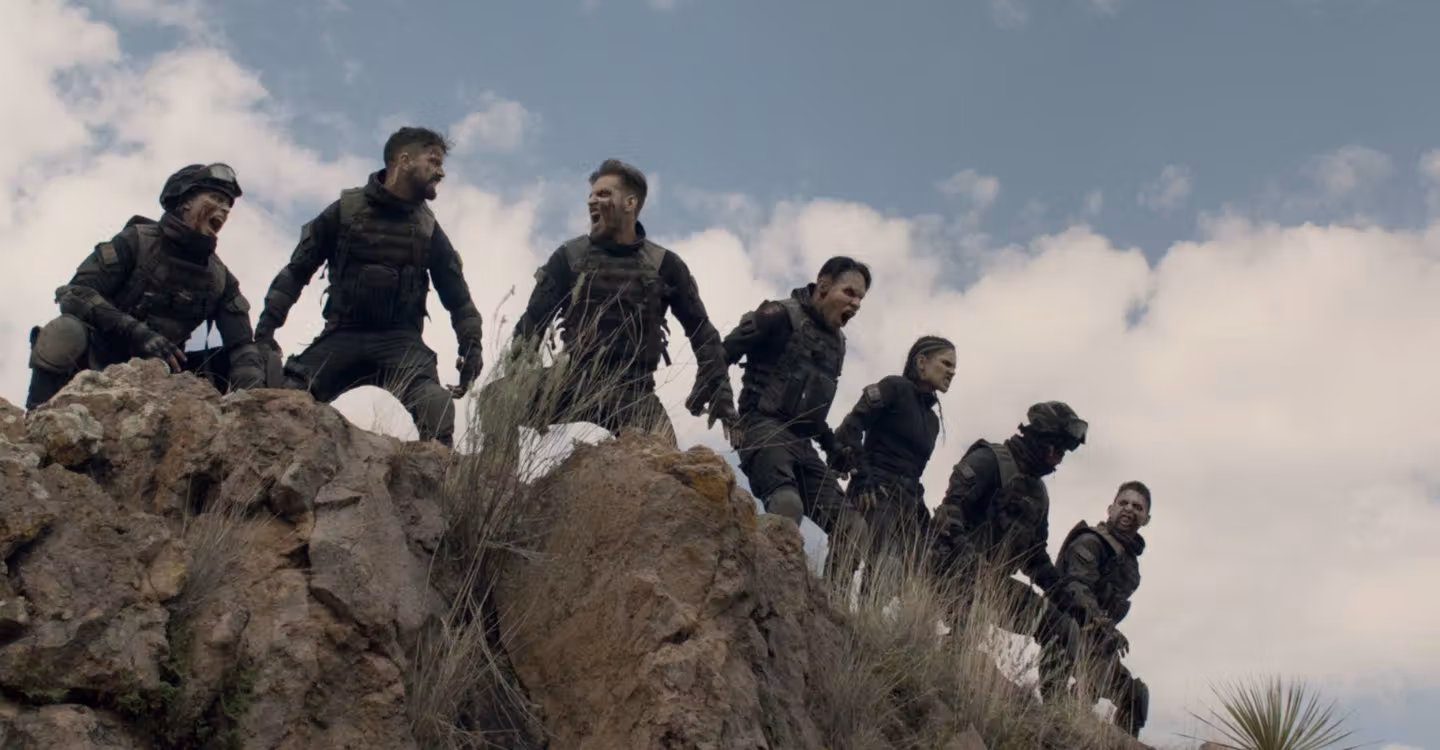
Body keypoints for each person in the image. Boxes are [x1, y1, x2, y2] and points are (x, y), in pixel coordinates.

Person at [251, 127, 484, 447]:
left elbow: (459, 300)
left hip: (400, 342)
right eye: (433, 162)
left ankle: (437, 477)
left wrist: (471, 348)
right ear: (404, 160)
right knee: (287, 399)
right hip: (343, 334)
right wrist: (265, 332)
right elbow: (296, 272)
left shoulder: (428, 229)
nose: (440, 172)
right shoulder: (345, 211)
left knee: (435, 407)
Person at [486, 158, 733, 448]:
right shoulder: (569, 257)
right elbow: (532, 323)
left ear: (630, 203)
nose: (592, 201)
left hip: (634, 392)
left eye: (603, 194)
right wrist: (517, 378)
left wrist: (720, 392)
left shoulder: (665, 265)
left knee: (665, 460)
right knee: (495, 399)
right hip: (571, 381)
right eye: (591, 195)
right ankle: (495, 473)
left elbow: (702, 332)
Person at [25, 163, 264, 409]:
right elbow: (74, 294)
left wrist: (250, 399)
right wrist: (138, 332)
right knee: (64, 331)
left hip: (168, 379)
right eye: (215, 198)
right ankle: (37, 419)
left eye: (228, 204)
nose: (224, 209)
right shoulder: (136, 241)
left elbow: (242, 345)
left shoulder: (220, 278)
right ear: (185, 201)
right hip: (97, 363)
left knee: (262, 358)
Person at [929, 402, 1089, 675]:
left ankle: (1055, 700)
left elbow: (1035, 558)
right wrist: (968, 559)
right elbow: (949, 513)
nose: (1058, 460)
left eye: (1063, 453)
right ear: (1040, 438)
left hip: (992, 585)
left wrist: (1066, 599)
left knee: (1064, 630)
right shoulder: (989, 460)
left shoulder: (1038, 493)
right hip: (946, 570)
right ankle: (946, 664)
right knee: (966, 642)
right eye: (1056, 449)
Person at [722, 256, 870, 546]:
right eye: (849, 293)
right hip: (762, 428)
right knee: (787, 507)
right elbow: (720, 353)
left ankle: (826, 581)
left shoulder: (838, 344)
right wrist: (723, 404)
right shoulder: (779, 314)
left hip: (803, 444)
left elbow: (811, 408)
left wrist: (831, 446)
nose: (856, 304)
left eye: (860, 299)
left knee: (855, 529)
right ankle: (763, 570)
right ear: (824, 286)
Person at [833, 336, 955, 583]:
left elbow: (914, 471)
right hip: (874, 492)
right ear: (922, 362)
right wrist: (862, 477)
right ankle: (830, 600)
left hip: (908, 503)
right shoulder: (894, 387)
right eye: (946, 363)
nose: (952, 372)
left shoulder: (932, 421)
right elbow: (850, 428)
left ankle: (869, 611)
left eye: (953, 367)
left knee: (909, 575)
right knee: (862, 564)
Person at [1041, 480, 1152, 737]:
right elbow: (1076, 587)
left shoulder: (1129, 564)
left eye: (1137, 507)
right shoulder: (1092, 541)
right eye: (1123, 503)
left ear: (1146, 519)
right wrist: (1104, 625)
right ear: (1110, 509)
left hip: (1096, 641)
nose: (1129, 509)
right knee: (1059, 712)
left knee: (1136, 695)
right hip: (1063, 630)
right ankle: (1053, 718)